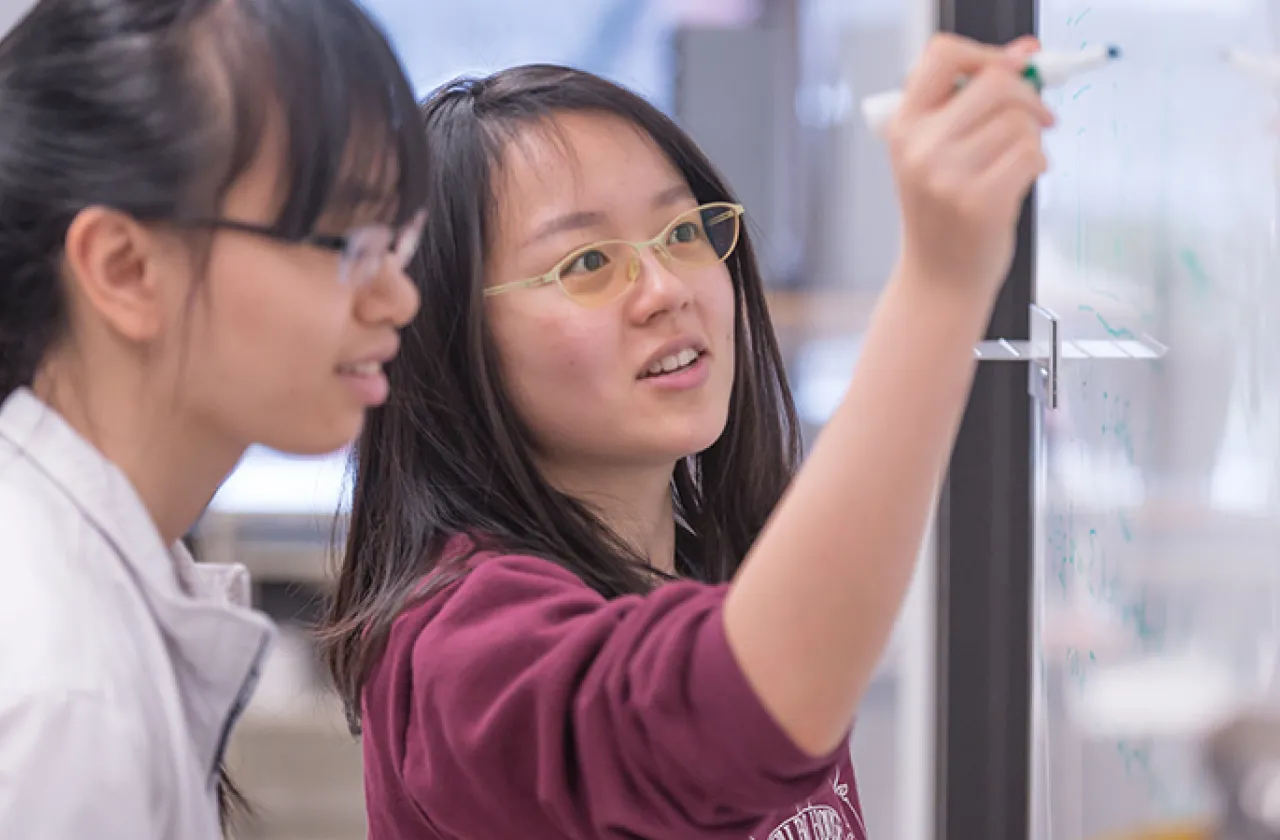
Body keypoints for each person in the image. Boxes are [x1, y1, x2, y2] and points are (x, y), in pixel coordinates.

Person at [321, 33, 1052, 840]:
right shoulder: (463, 646)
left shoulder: (716, 569)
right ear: (451, 342)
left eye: (682, 233)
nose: (667, 290)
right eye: (589, 261)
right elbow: (739, 713)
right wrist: (941, 286)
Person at [0, 0, 426, 837]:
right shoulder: (62, 696)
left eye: (397, 240)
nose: (398, 295)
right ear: (124, 269)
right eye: (345, 239)